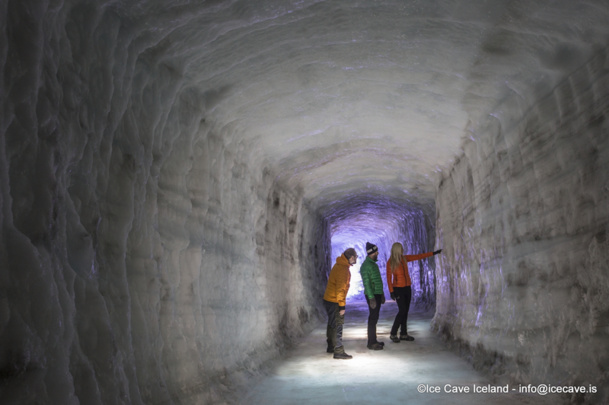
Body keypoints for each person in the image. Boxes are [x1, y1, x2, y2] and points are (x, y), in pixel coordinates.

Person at [386, 242, 442, 342]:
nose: (402, 250)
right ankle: (393, 333)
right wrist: (391, 291)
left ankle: (403, 334)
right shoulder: (390, 262)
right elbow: (388, 278)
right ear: (397, 250)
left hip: (407, 288)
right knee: (402, 311)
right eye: (401, 249)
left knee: (406, 311)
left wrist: (433, 253)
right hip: (398, 289)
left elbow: (418, 256)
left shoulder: (404, 258)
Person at [323, 247, 358, 359]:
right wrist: (342, 305)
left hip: (329, 299)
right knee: (338, 324)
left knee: (332, 323)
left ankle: (331, 346)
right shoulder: (343, 269)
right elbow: (340, 289)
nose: (356, 258)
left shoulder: (339, 264)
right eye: (356, 257)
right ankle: (338, 350)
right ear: (351, 257)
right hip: (335, 301)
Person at [360, 242, 386, 350]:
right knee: (372, 318)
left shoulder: (373, 264)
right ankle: (371, 342)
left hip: (377, 294)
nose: (377, 253)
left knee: (375, 318)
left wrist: (382, 293)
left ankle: (374, 340)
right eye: (376, 252)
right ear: (371, 253)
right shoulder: (366, 266)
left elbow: (377, 281)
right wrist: (371, 298)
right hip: (373, 295)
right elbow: (367, 283)